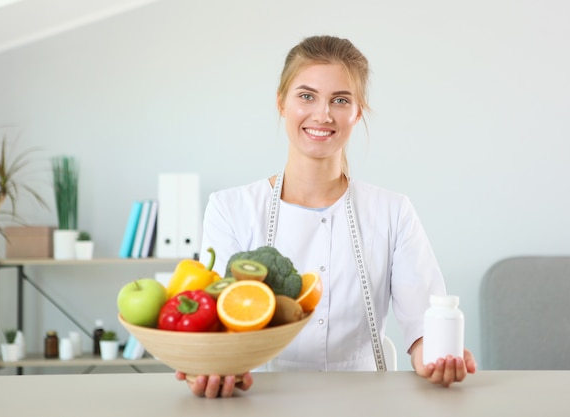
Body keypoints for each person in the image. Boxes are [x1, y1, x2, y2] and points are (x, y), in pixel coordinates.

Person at [176, 35, 477, 398]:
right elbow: (219, 325)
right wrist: (209, 368)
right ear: (281, 103)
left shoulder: (393, 211)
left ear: (357, 112)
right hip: (262, 400)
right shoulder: (230, 209)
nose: (323, 114)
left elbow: (422, 326)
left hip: (367, 401)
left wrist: (436, 357)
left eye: (340, 100)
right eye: (306, 96)